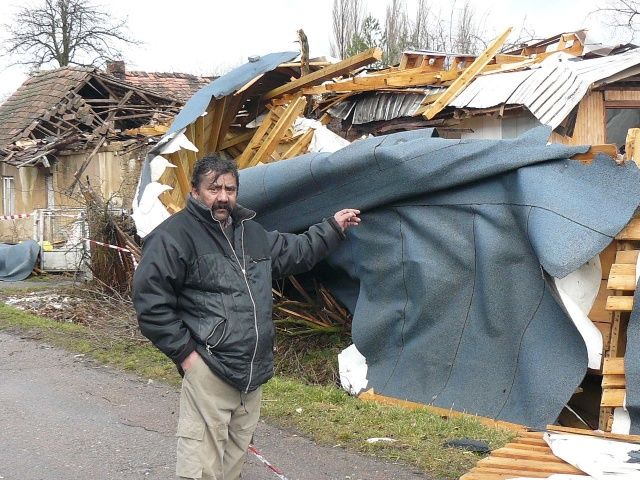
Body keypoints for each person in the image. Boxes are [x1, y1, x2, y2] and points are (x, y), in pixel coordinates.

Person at [132, 154, 360, 480]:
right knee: (200, 472)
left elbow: (296, 252)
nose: (223, 196)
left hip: (252, 375)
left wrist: (333, 228)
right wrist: (186, 356)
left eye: (230, 189)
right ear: (195, 191)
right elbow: (150, 303)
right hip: (208, 370)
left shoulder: (250, 234)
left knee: (231, 469)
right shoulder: (173, 237)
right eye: (214, 189)